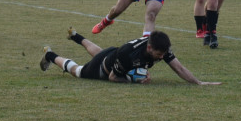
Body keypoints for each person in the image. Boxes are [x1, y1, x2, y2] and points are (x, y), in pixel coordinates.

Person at [40, 27, 219, 85]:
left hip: (112, 54)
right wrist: (135, 79)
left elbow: (178, 68)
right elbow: (112, 77)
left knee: (98, 52)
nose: (161, 57)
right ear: (149, 48)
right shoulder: (129, 54)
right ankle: (51, 55)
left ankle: (75, 36)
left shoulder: (161, 47)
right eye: (158, 54)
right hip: (102, 70)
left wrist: (199, 82)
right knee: (77, 70)